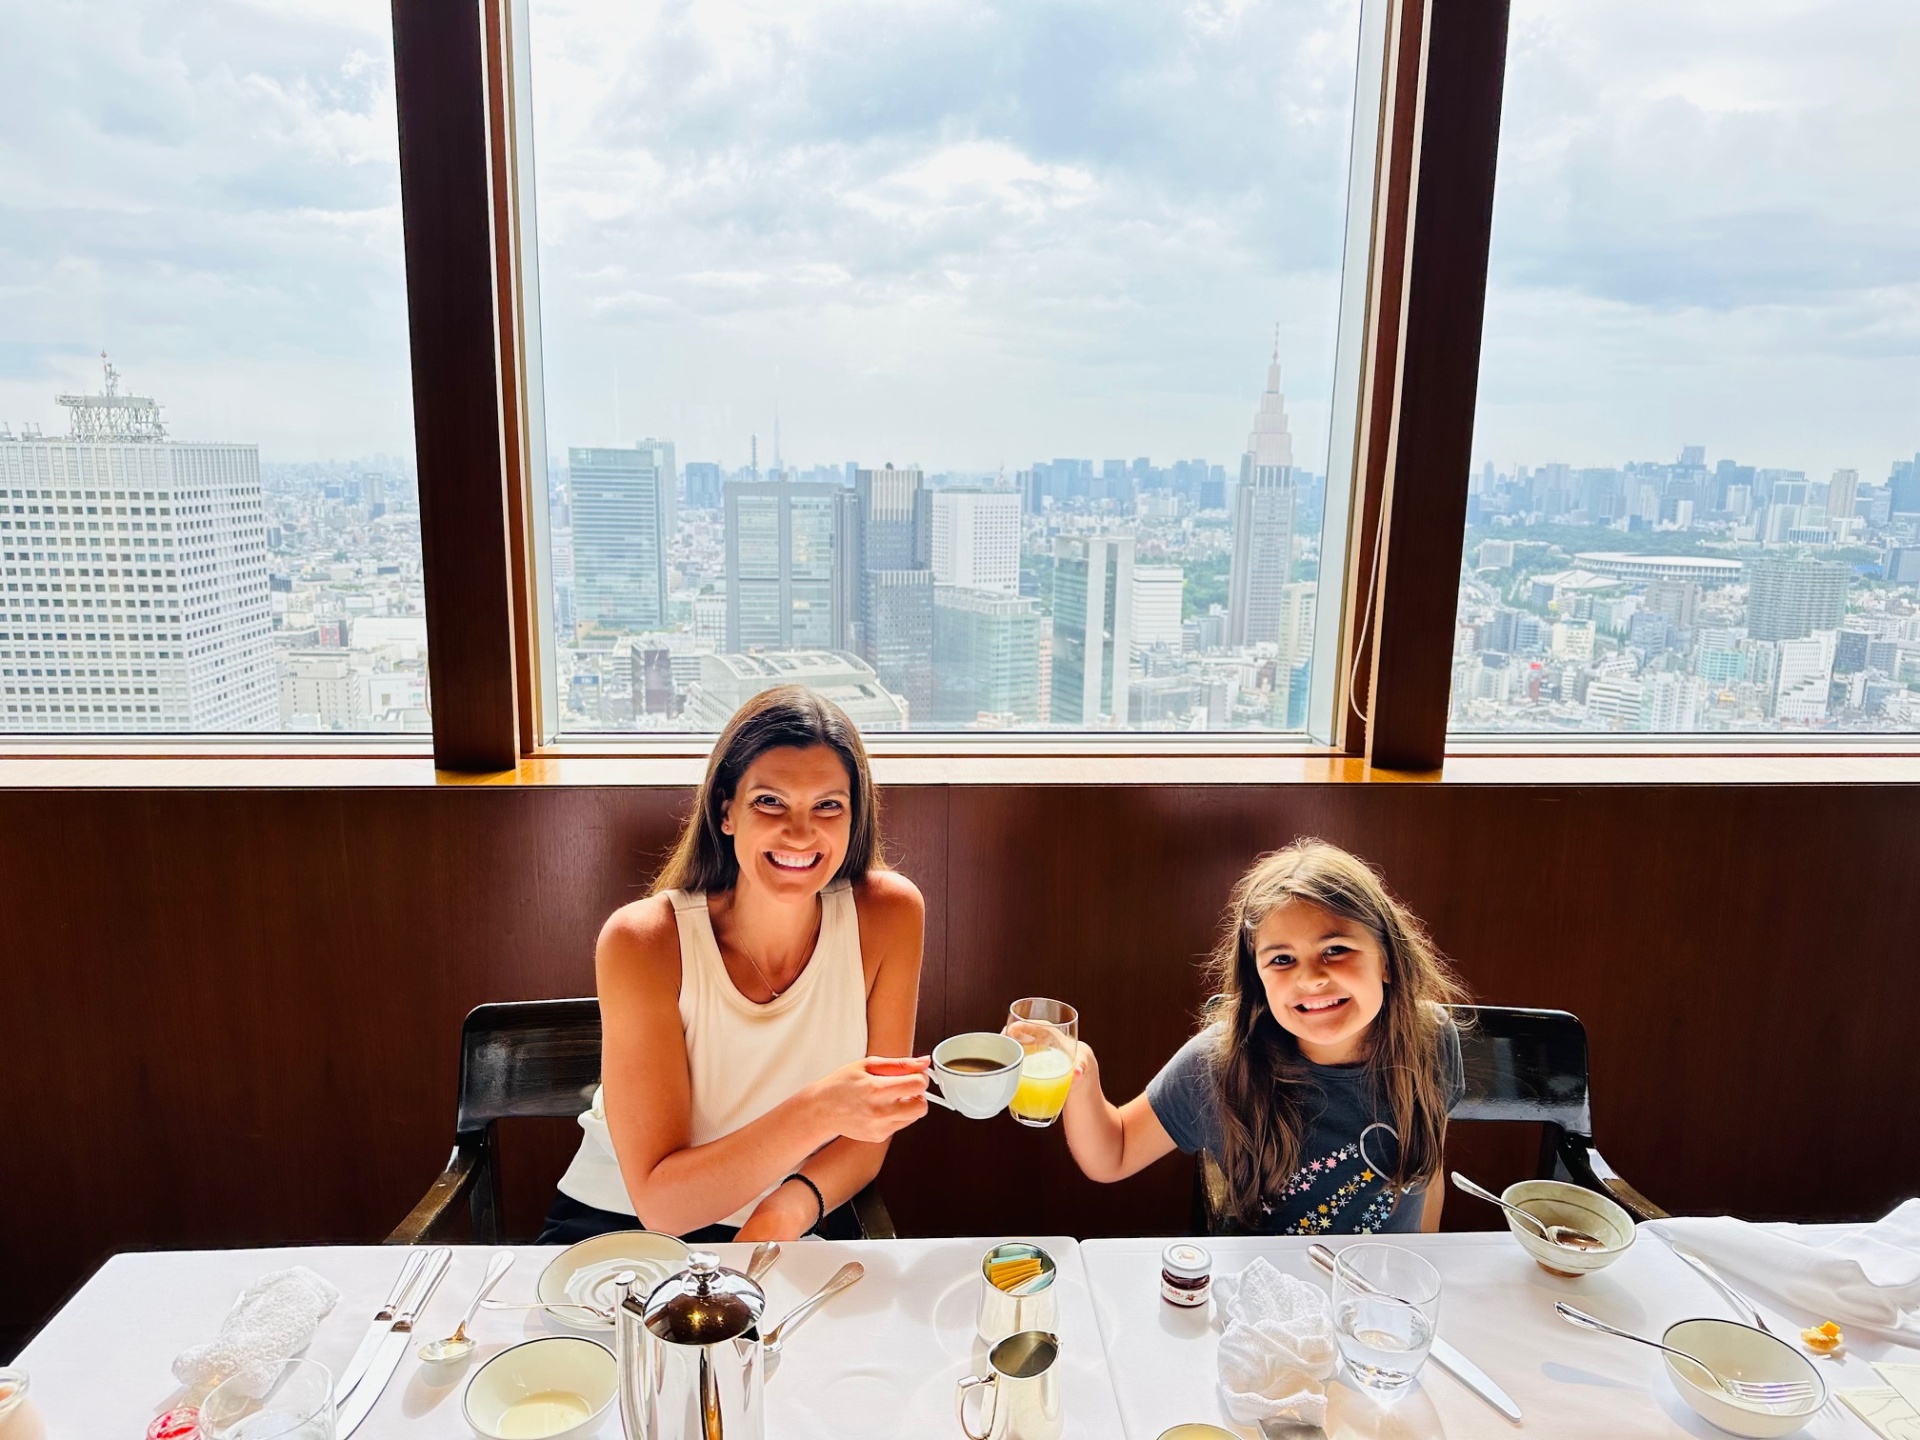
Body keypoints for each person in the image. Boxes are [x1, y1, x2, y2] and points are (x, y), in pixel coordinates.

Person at [540, 686, 931, 1245]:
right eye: (770, 802)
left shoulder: (891, 915)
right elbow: (663, 1205)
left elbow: (869, 1136)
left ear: (854, 818)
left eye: (828, 805)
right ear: (726, 812)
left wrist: (785, 1210)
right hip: (619, 1222)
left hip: (790, 1216)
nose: (800, 832)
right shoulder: (641, 941)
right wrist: (820, 1109)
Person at [1058, 839, 1466, 1235]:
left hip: (1387, 1281)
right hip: (1264, 1282)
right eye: (1282, 959)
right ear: (1258, 979)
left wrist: (1422, 1263)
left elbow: (1429, 1178)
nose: (1311, 978)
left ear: (1388, 960)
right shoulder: (1219, 1063)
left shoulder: (1431, 1039)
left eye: (1336, 949)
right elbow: (1115, 1152)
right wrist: (1081, 1072)